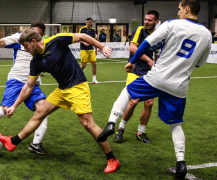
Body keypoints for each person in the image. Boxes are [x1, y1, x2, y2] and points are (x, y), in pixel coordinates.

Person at [101, 0, 211, 178]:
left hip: (157, 78)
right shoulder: (207, 34)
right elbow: (200, 64)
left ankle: (112, 123)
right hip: (179, 85)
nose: (178, 12)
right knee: (175, 124)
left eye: (179, 9)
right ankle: (181, 162)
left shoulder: (172, 24)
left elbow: (145, 44)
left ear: (187, 9)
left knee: (129, 91)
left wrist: (132, 62)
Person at [0, 28, 120, 173]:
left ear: (33, 42)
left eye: (26, 46)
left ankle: (112, 159)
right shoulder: (35, 61)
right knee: (40, 112)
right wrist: (15, 105)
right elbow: (28, 86)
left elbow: (82, 36)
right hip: (62, 90)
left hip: (78, 86)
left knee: (87, 123)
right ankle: (13, 142)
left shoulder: (57, 40)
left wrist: (102, 46)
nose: (25, 50)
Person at [0, 20, 49, 155]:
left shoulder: (44, 44)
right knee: (6, 109)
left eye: (38, 35)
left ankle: (36, 143)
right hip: (16, 80)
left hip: (32, 82)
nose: (34, 39)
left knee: (44, 109)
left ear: (43, 34)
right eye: (33, 34)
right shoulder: (20, 37)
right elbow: (1, 43)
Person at [97, 10, 160, 144]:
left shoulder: (158, 35)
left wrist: (156, 64)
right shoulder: (140, 30)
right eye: (146, 19)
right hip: (135, 70)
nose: (147, 22)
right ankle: (120, 129)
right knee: (134, 101)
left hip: (149, 74)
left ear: (156, 22)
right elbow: (132, 48)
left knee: (149, 103)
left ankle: (141, 132)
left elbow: (157, 53)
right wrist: (149, 60)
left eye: (150, 20)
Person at [79, 18, 99, 84]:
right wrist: (84, 43)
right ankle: (76, 74)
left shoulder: (93, 30)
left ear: (91, 23)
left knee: (94, 63)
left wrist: (96, 49)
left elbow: (94, 40)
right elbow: (79, 38)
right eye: (87, 22)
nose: (88, 23)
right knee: (84, 65)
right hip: (83, 49)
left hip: (91, 49)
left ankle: (94, 79)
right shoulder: (82, 29)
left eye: (89, 22)